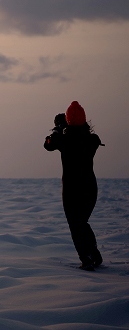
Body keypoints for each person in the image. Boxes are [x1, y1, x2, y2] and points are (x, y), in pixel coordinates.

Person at [44, 101, 104, 271]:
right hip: (90, 188)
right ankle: (94, 254)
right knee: (82, 222)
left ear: (68, 121)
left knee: (75, 224)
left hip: (72, 189)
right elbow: (81, 136)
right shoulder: (92, 139)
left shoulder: (65, 140)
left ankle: (87, 259)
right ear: (84, 120)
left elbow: (49, 145)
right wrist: (66, 127)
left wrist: (58, 127)